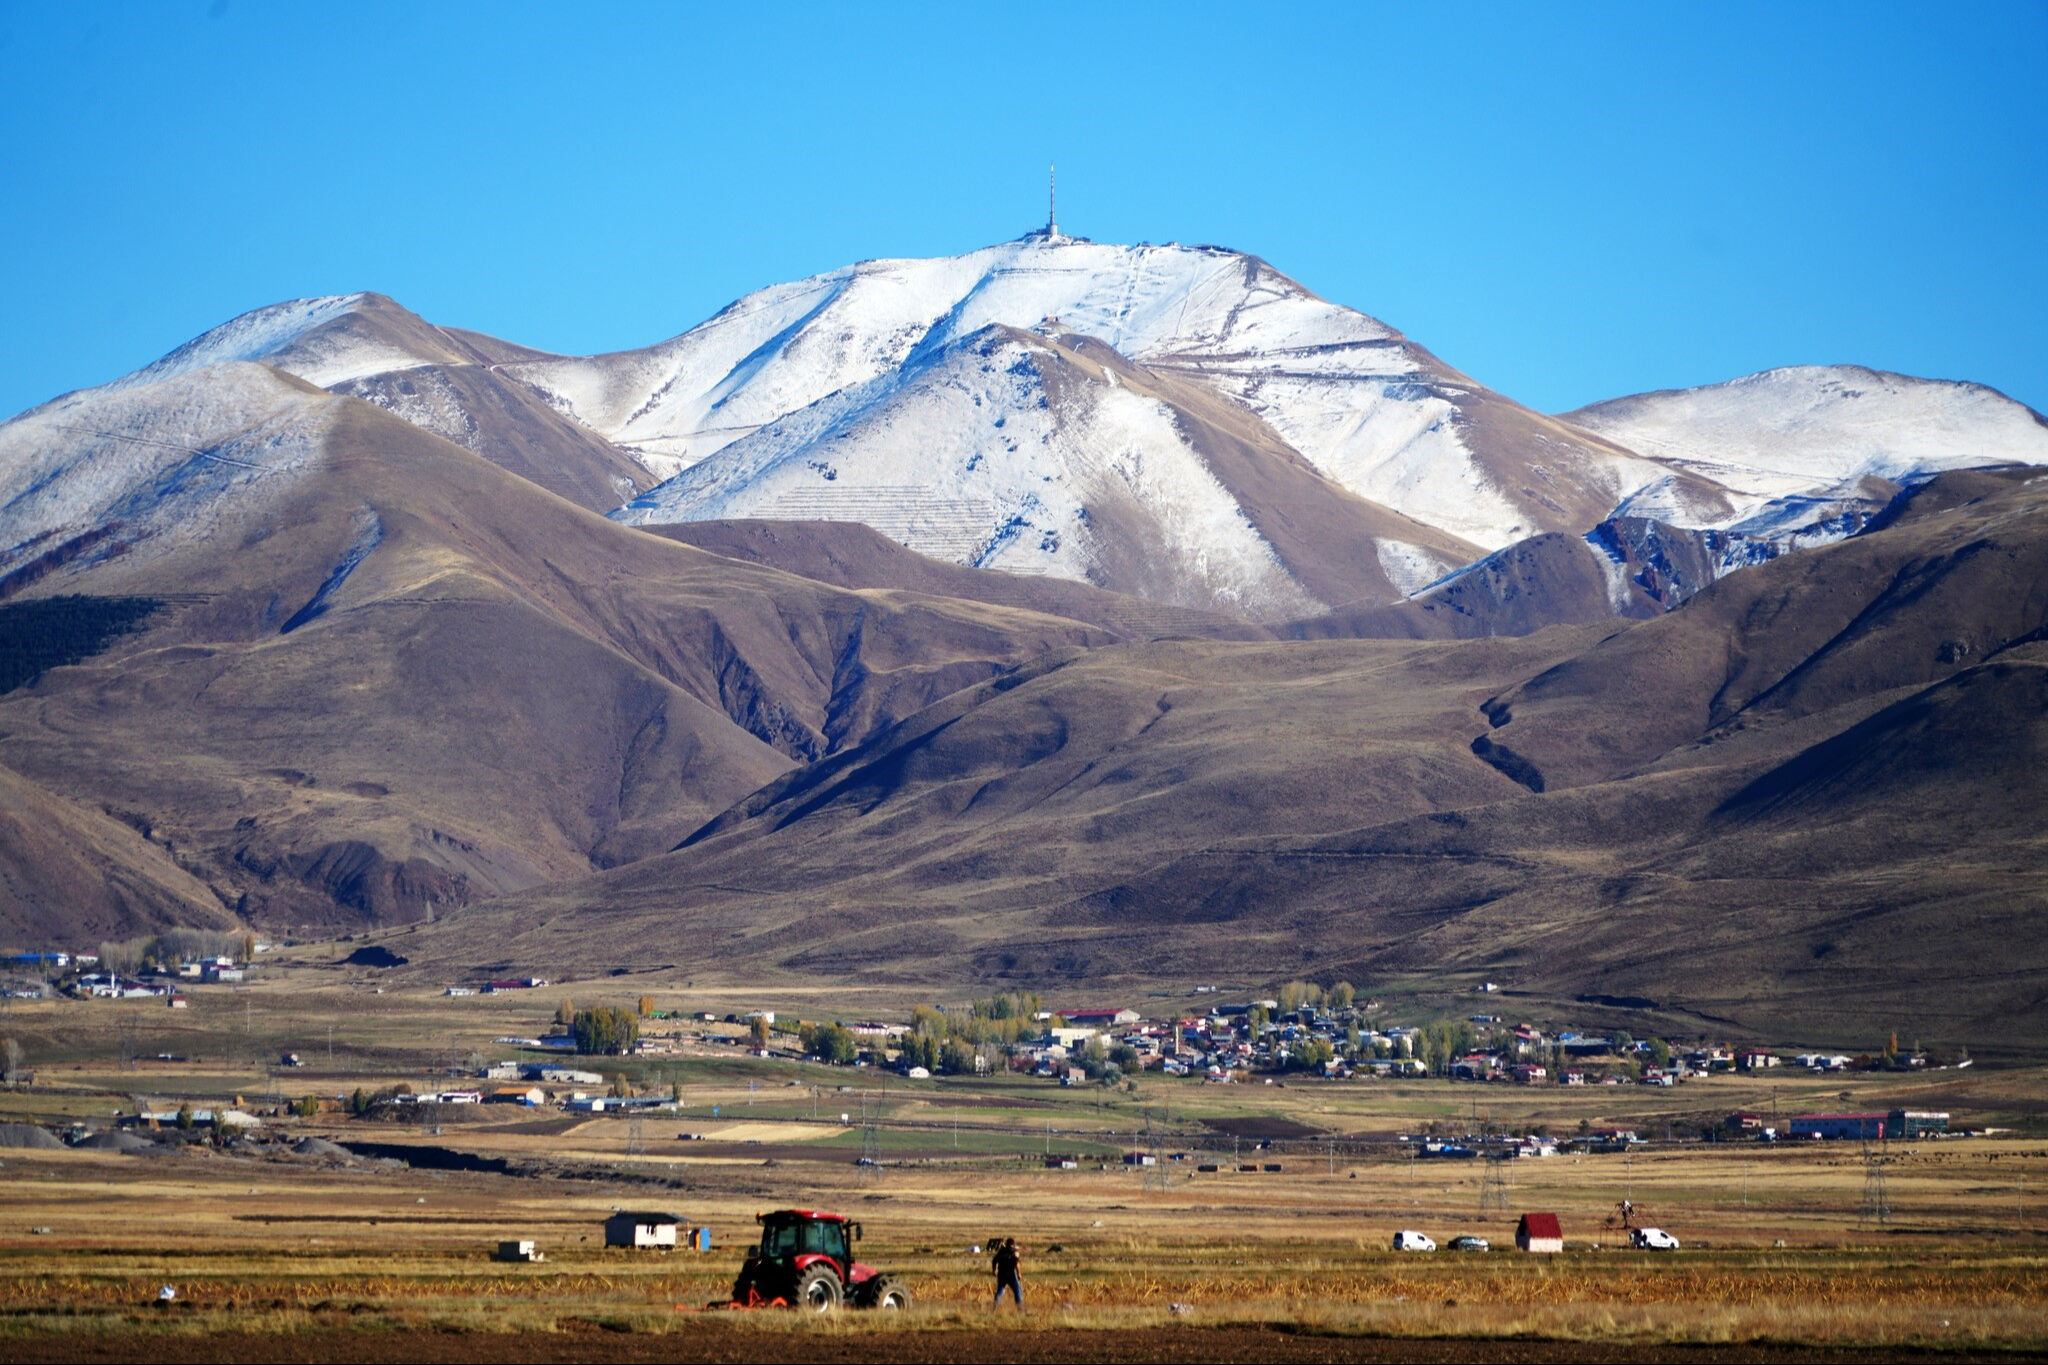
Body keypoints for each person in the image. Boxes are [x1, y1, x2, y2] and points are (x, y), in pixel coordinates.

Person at [991, 1236, 1022, 1308]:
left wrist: (994, 1270)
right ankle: (1020, 1308)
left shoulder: (1001, 1251)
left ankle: (996, 1302)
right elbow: (1017, 1263)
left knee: (1000, 1290)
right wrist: (1019, 1273)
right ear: (1013, 1244)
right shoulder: (1014, 1252)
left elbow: (994, 1260)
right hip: (1011, 1274)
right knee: (1017, 1291)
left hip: (1001, 1273)